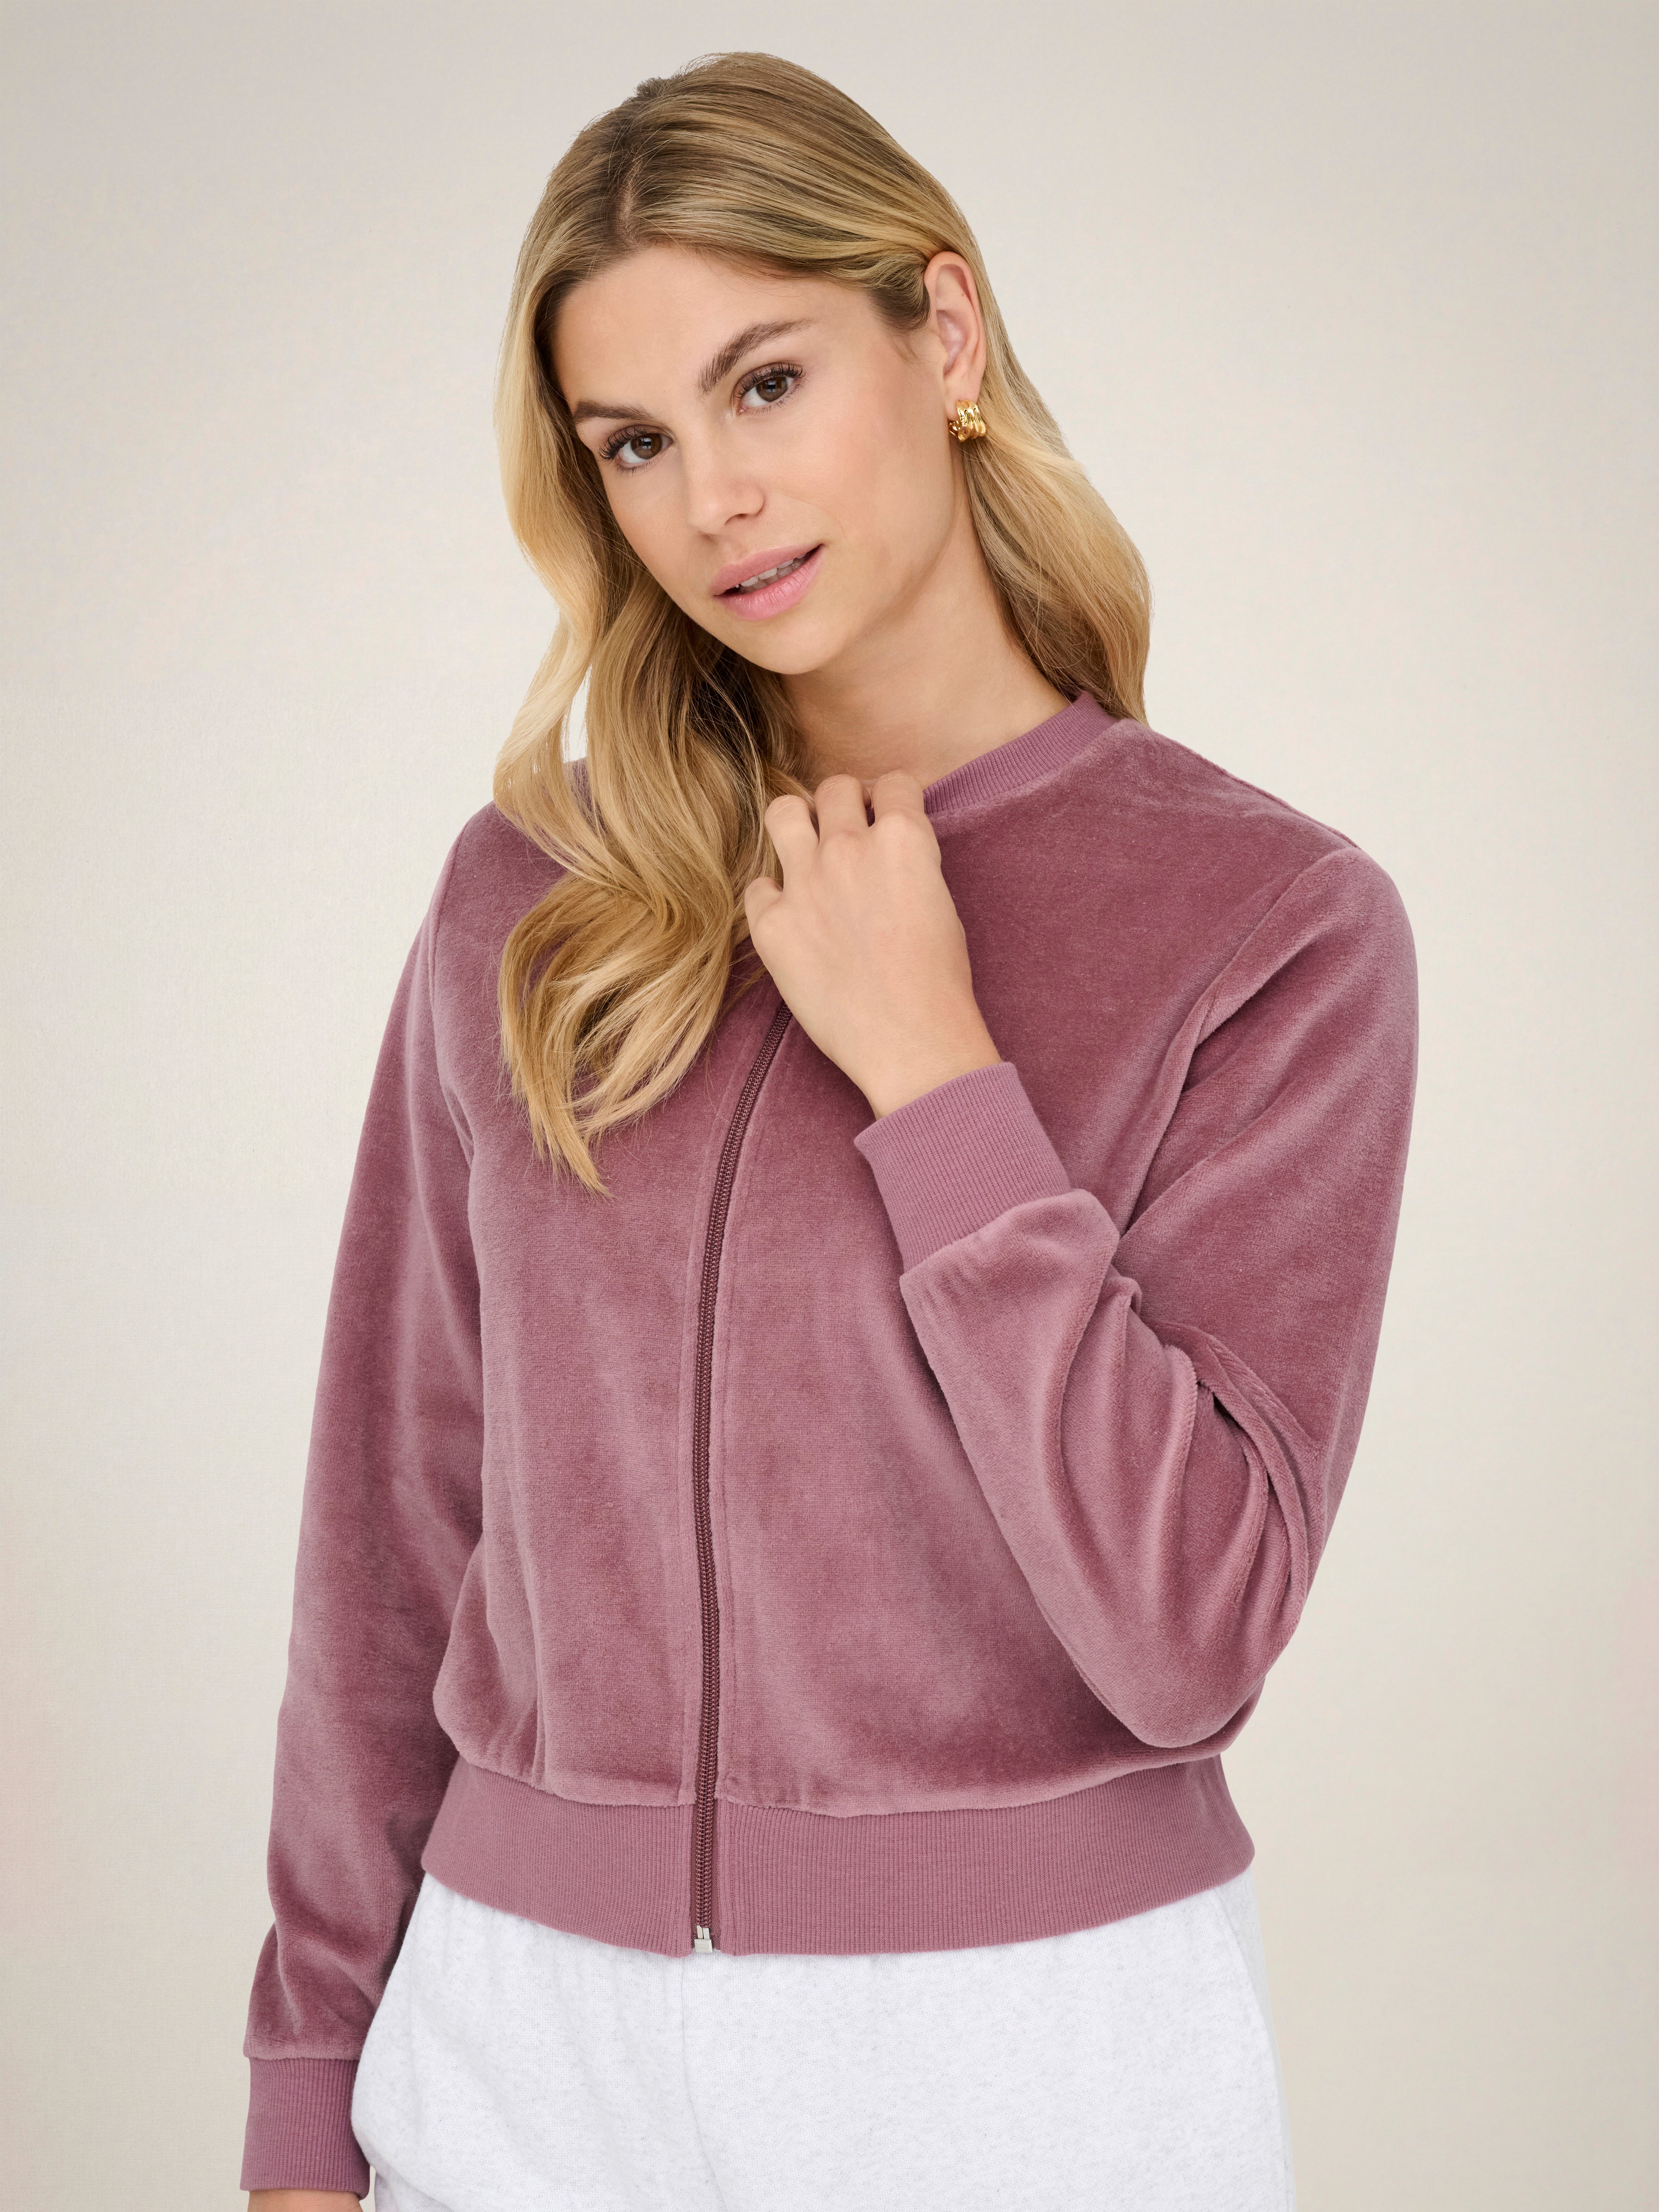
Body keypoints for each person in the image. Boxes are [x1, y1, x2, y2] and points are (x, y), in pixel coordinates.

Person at [241, 49, 1417, 2212]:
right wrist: (310, 2081)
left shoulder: (1267, 924)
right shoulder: (536, 896)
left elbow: (1193, 1628)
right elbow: (394, 1520)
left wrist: (941, 1082)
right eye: (634, 441)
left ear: (943, 334)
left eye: (765, 384)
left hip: (1028, 2059)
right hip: (519, 2048)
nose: (714, 499)